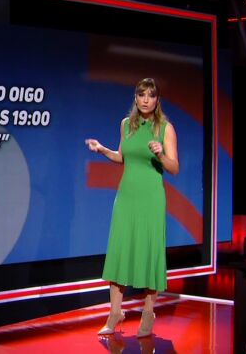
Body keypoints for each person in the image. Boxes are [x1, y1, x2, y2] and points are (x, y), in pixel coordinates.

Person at [85, 78, 179, 338]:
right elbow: (122, 157)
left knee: (148, 252)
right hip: (126, 197)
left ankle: (148, 313)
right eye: (141, 95)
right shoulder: (126, 124)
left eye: (151, 95)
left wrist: (160, 154)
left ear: (157, 100)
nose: (146, 100)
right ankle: (115, 313)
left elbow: (174, 168)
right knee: (120, 251)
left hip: (151, 199)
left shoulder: (165, 128)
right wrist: (102, 150)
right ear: (135, 98)